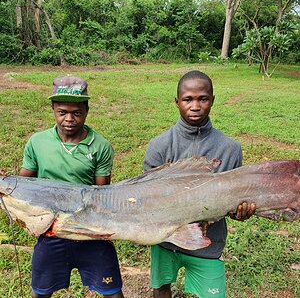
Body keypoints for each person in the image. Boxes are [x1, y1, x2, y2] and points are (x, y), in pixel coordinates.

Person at [143, 70, 256, 298]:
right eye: (188, 99)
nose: (195, 106)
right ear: (177, 102)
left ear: (212, 100)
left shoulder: (229, 148)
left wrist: (239, 212)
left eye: (202, 99)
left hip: (209, 243)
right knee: (161, 288)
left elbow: (233, 198)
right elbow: (149, 199)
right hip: (166, 240)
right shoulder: (159, 146)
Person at [19, 76, 124, 298]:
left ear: (86, 111)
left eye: (76, 113)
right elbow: (24, 183)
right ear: (53, 110)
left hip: (90, 231)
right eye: (62, 112)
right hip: (51, 231)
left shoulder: (100, 146)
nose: (69, 119)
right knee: (40, 292)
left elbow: (101, 194)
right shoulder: (37, 142)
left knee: (113, 292)